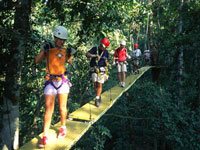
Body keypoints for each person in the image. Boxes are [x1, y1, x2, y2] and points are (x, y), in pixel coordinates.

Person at [34, 26, 73, 148]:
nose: (61, 42)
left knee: (62, 108)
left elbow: (70, 62)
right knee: (48, 109)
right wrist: (43, 50)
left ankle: (62, 127)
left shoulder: (65, 50)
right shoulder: (48, 48)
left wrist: (70, 54)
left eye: (63, 40)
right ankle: (44, 136)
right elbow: (36, 60)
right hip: (50, 81)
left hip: (62, 80)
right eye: (59, 39)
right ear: (55, 38)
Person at [86, 38, 110, 107]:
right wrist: (95, 56)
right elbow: (87, 54)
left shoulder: (106, 52)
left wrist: (105, 61)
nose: (102, 47)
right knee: (95, 84)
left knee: (99, 83)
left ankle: (97, 98)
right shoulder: (95, 49)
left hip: (101, 70)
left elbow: (107, 64)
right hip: (94, 68)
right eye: (101, 45)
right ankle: (98, 95)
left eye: (103, 46)